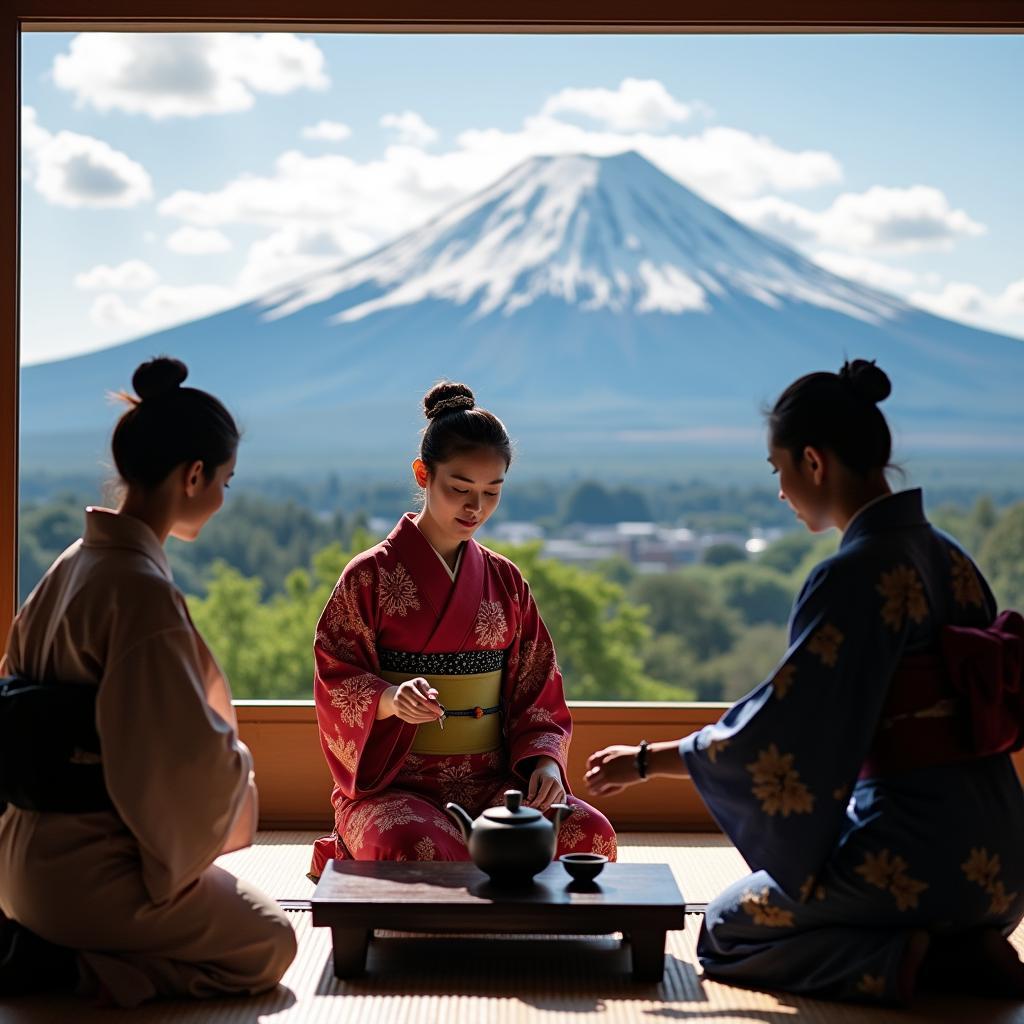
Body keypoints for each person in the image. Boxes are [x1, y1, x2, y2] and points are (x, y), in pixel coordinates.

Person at [585, 359, 1024, 1005]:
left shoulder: (856, 573)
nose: (782, 491)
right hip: (1003, 863)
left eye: (778, 470)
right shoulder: (951, 558)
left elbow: (778, 732)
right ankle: (956, 946)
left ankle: (923, 964)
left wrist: (646, 761)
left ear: (813, 462)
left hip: (920, 863)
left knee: (728, 927)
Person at [0, 357, 296, 1005]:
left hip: (19, 863)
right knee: (270, 942)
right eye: (225, 480)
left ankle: (54, 947)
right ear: (194, 476)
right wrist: (235, 772)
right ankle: (72, 970)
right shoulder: (139, 591)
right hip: (90, 876)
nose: (222, 498)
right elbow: (176, 765)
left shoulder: (71, 565)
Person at [311, 381, 616, 874]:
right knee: (420, 851)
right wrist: (389, 699)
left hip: (497, 786)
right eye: (459, 489)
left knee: (590, 835)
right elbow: (336, 674)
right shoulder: (369, 576)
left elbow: (538, 691)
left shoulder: (505, 580)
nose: (475, 509)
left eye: (491, 492)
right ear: (423, 474)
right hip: (396, 787)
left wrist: (543, 764)